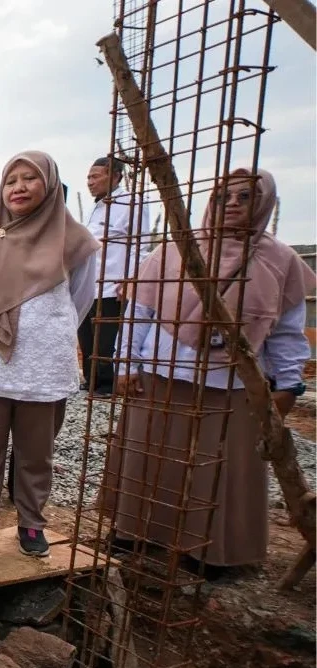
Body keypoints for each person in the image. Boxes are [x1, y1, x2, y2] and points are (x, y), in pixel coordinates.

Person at [105, 168, 314, 579]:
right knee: (150, 457)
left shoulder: (280, 261)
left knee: (218, 467)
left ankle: (211, 553)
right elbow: (139, 314)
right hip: (162, 375)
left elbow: (287, 332)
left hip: (233, 383)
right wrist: (126, 362)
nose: (232, 204)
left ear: (264, 204)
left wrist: (289, 384)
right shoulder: (172, 252)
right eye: (223, 197)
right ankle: (137, 533)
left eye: (245, 197)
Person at [0, 151, 99, 558]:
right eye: (11, 180)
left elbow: (80, 301)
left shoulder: (75, 241)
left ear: (50, 185)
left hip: (43, 366)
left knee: (37, 450)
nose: (18, 187)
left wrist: (43, 330)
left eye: (30, 178)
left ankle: (31, 523)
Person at [79, 156, 150, 396]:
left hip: (114, 283)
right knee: (87, 334)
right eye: (89, 177)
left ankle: (108, 384)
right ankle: (91, 381)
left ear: (116, 175)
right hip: (90, 283)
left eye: (95, 176)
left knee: (107, 335)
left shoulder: (131, 203)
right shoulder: (96, 207)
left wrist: (131, 278)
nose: (90, 182)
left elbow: (140, 244)